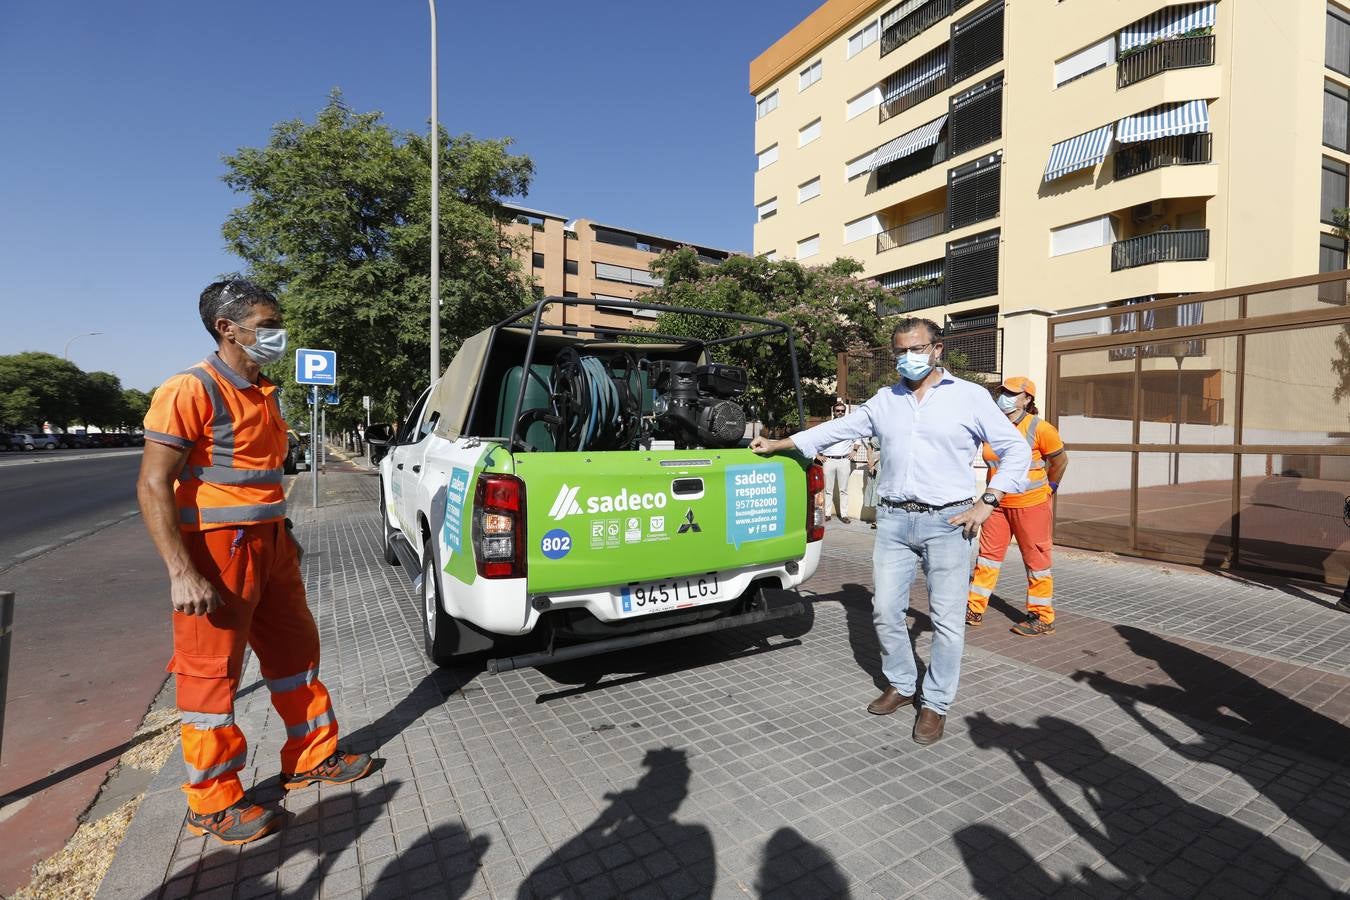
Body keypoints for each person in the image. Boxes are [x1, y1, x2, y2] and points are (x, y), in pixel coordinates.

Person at [137, 279, 375, 845]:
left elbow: (261, 482)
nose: (277, 333)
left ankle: (311, 757)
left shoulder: (263, 391)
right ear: (228, 328)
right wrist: (180, 570)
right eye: (267, 324)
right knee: (211, 676)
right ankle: (212, 801)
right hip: (217, 553)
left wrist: (284, 533)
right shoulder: (189, 389)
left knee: (296, 654)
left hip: (269, 545)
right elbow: (152, 484)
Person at [750, 317, 1030, 745]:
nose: (907, 358)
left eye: (916, 349)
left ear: (937, 349)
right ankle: (902, 683)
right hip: (896, 520)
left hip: (949, 522)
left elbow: (1015, 450)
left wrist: (987, 502)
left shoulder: (970, 398)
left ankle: (935, 703)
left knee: (948, 621)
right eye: (899, 351)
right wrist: (781, 443)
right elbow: (837, 430)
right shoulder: (886, 400)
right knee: (884, 611)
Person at [966, 377, 1069, 636]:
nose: (1005, 397)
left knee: (1037, 561)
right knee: (987, 558)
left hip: (1031, 505)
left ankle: (1042, 616)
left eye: (1012, 393)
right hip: (997, 505)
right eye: (1003, 392)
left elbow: (1060, 462)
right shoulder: (993, 426)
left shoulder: (1041, 429)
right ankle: (974, 608)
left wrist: (1051, 488)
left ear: (1027, 399)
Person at [819, 401, 858, 523]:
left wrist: (854, 451)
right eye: (838, 410)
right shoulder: (826, 426)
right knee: (828, 490)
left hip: (844, 460)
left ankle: (844, 515)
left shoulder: (850, 426)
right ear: (834, 412)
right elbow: (816, 440)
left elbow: (858, 439)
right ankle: (827, 514)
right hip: (828, 460)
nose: (840, 412)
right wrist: (817, 455)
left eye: (842, 411)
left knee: (844, 489)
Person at [861, 437, 882, 529]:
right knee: (874, 487)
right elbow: (869, 450)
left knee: (882, 489)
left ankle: (881, 520)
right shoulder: (873, 432)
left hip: (884, 460)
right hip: (873, 461)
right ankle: (876, 519)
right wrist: (870, 464)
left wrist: (876, 459)